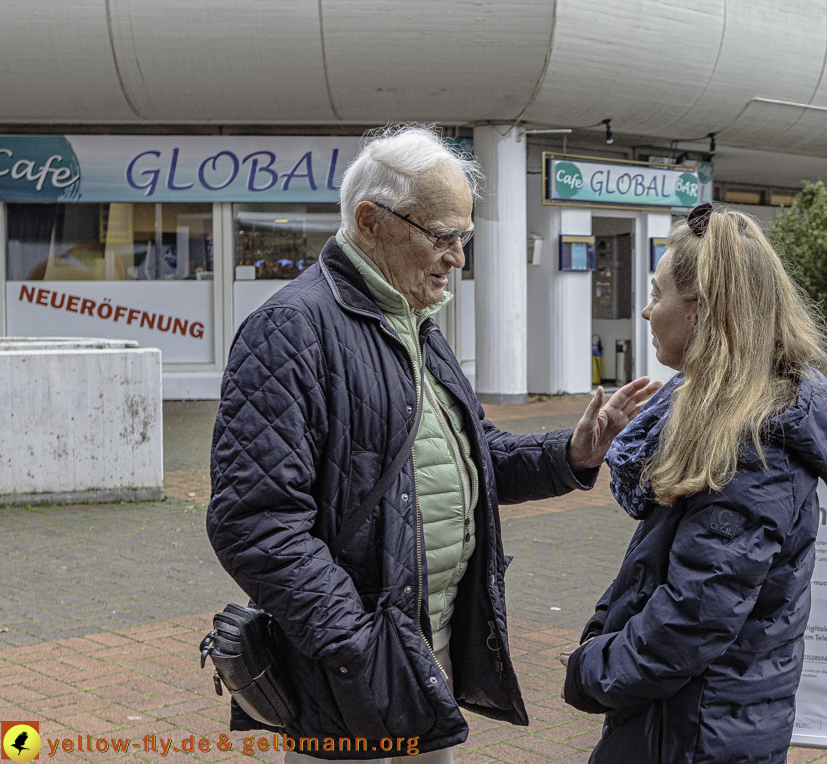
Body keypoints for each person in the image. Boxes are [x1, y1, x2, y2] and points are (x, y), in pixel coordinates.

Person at [206, 125, 661, 763]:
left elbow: (470, 458)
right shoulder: (289, 329)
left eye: (464, 237)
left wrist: (573, 454)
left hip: (422, 642)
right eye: (442, 235)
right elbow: (255, 523)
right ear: (370, 221)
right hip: (351, 661)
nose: (457, 256)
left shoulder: (415, 323)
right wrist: (359, 647)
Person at [560, 203, 827, 763]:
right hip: (691, 720)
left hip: (698, 732)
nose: (647, 311)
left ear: (701, 311)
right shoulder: (718, 416)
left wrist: (593, 669)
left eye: (657, 293)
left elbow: (693, 617)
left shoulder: (751, 445)